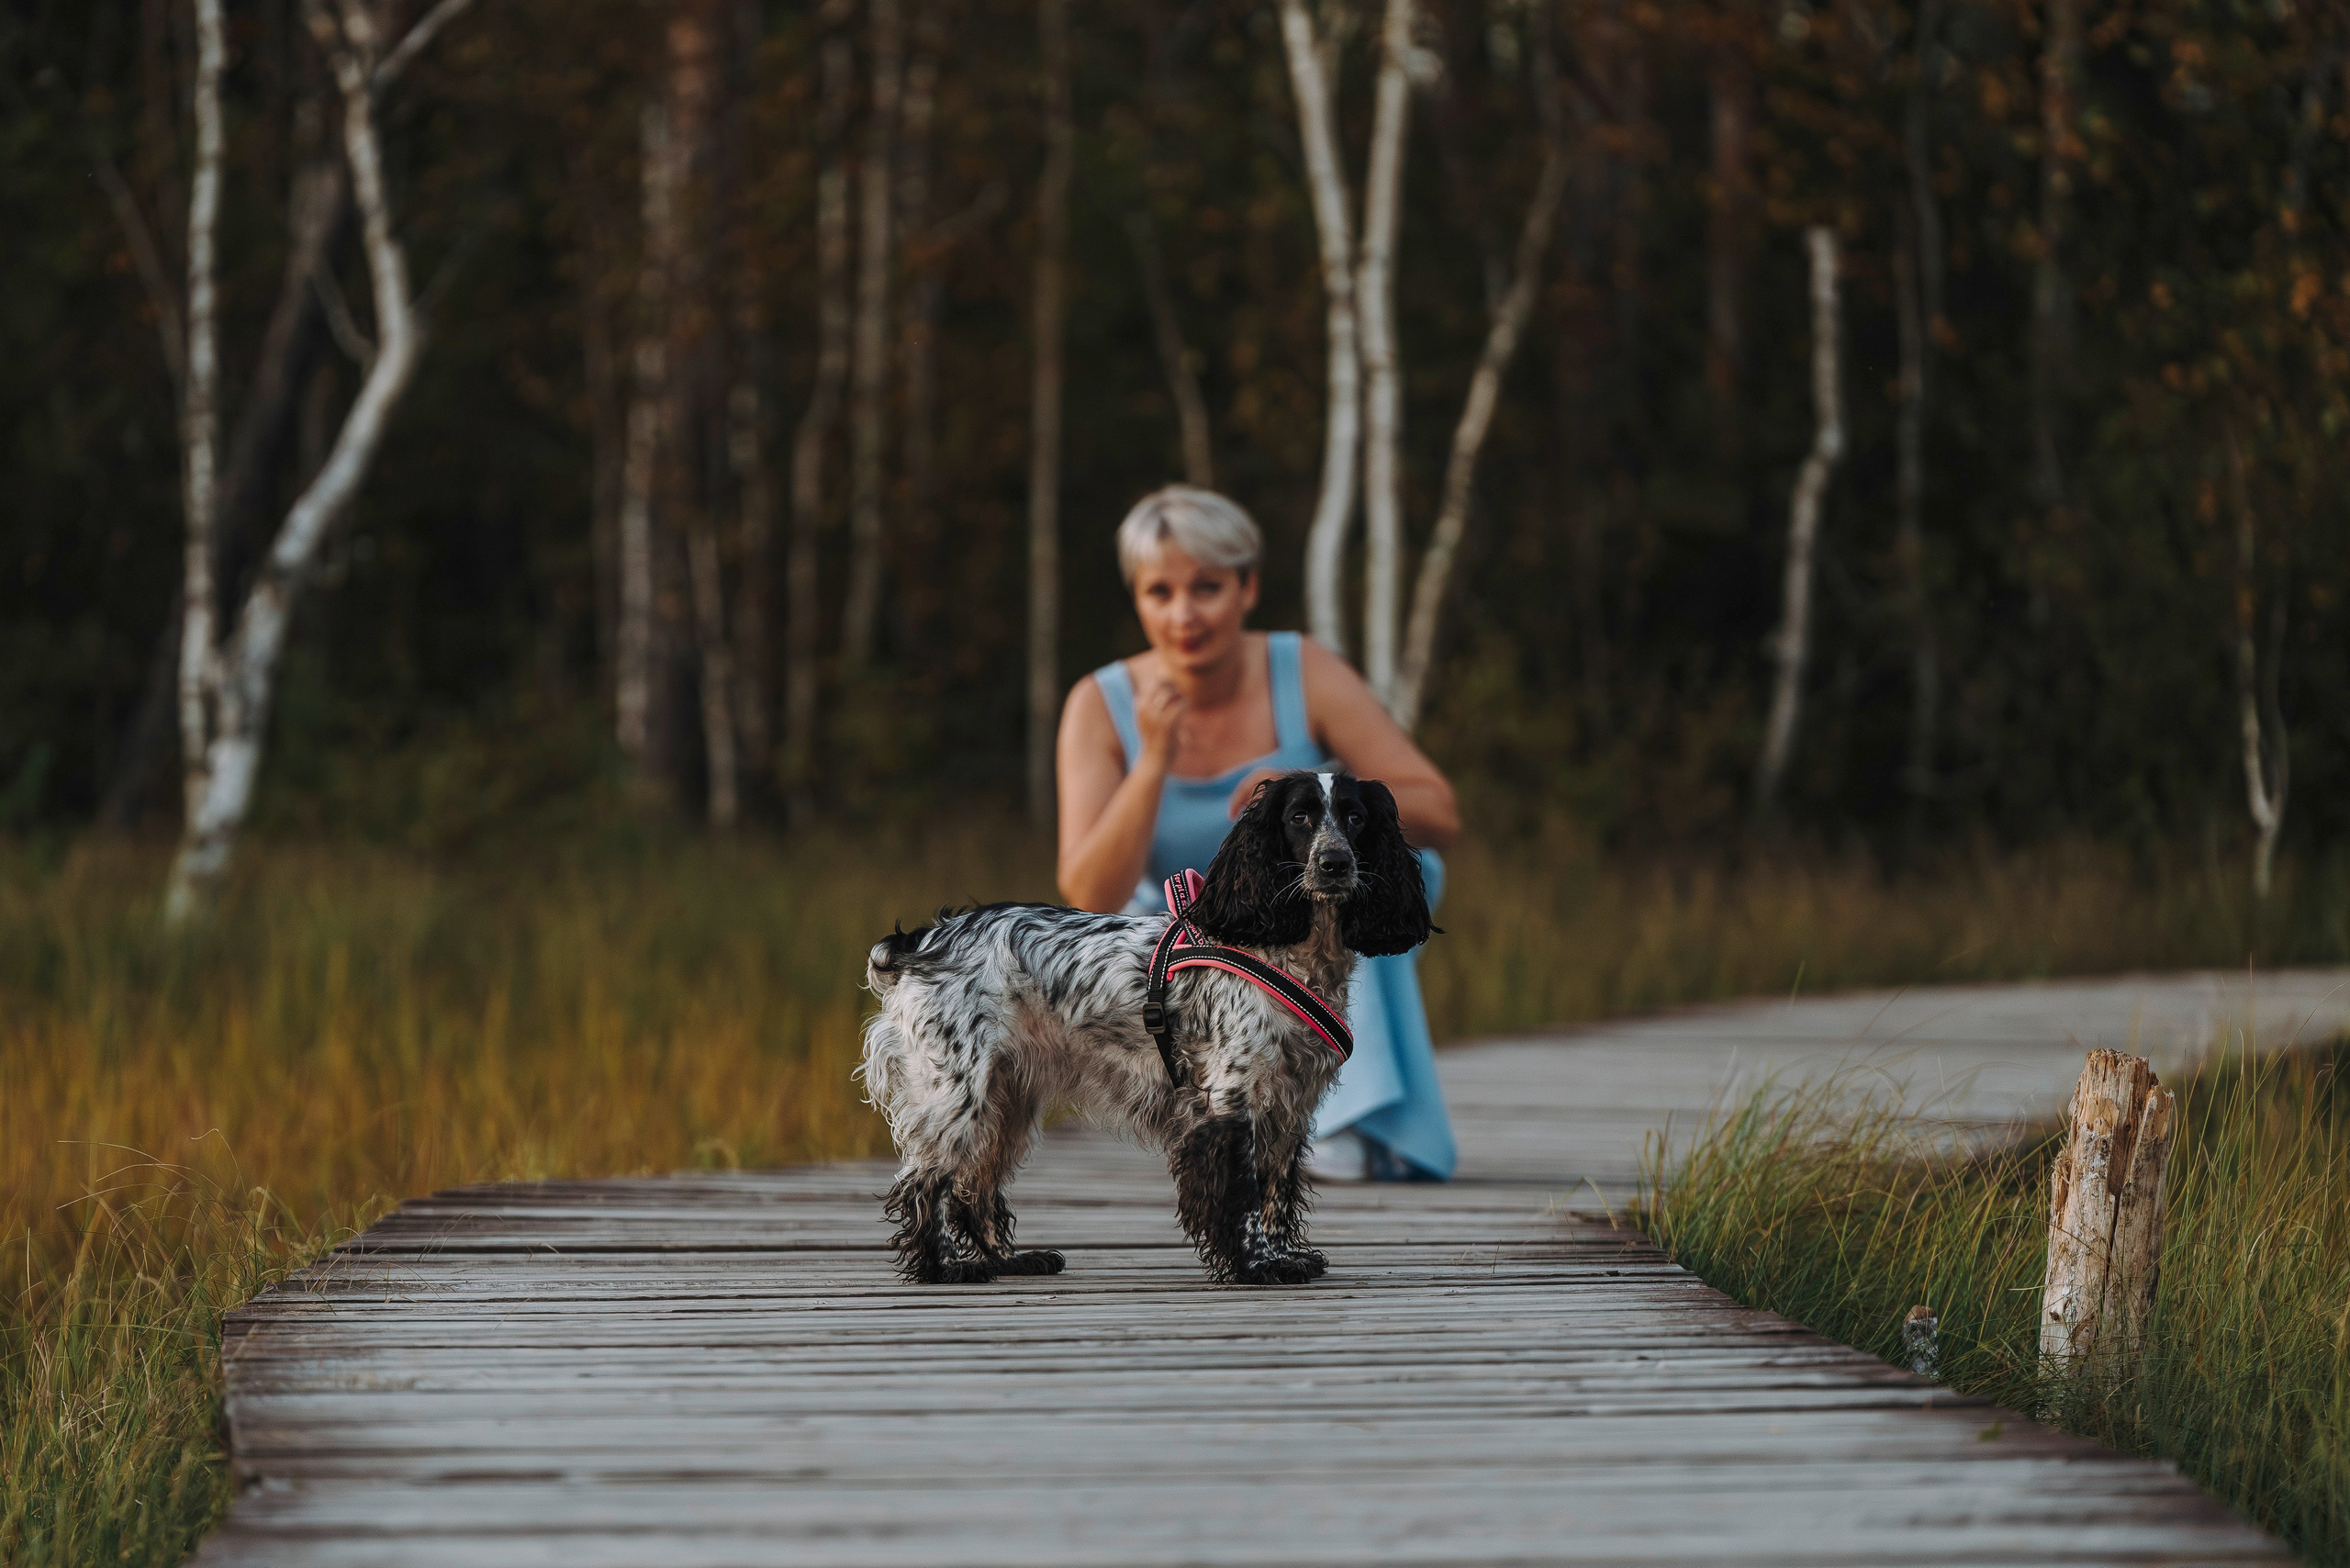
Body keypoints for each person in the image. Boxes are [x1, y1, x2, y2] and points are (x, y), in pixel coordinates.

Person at [1056, 485, 1461, 1181]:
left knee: (1384, 873)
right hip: (1183, 933)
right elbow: (1090, 890)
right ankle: (1208, 1112)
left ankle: (1350, 1125)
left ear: (1248, 586)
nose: (1184, 614)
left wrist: (1305, 787)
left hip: (1310, 914)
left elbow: (1438, 811)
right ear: (1138, 600)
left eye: (1208, 587)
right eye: (1160, 592)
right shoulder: (1100, 702)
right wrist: (1153, 758)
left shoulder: (1301, 668)